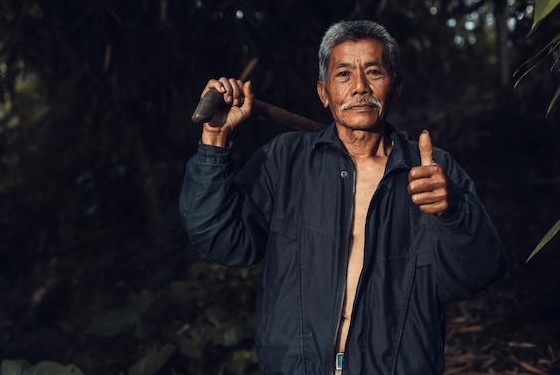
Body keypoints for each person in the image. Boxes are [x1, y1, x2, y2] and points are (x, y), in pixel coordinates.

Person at [179, 19, 507, 375]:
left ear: (395, 87)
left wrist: (453, 211)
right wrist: (214, 138)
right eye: (344, 74)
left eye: (374, 72)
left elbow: (478, 272)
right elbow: (221, 240)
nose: (359, 87)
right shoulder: (286, 160)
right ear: (323, 92)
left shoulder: (431, 172)